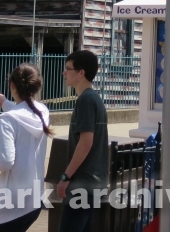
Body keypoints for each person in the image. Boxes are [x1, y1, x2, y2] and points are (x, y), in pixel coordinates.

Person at [0, 63, 53, 232]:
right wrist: (5, 103)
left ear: (13, 85)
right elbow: (24, 113)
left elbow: (5, 161)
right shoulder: (43, 111)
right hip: (34, 198)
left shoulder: (6, 119)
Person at [56, 50, 108, 232]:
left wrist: (66, 176)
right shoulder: (95, 99)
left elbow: (86, 142)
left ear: (81, 72)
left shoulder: (85, 100)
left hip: (82, 183)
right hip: (94, 181)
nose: (64, 72)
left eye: (68, 68)